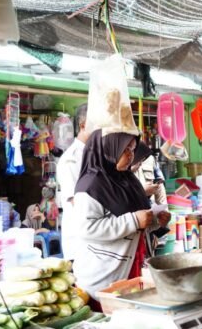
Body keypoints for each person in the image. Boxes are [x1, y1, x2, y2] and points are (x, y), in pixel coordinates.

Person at [72, 129, 170, 305]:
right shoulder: (90, 186)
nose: (131, 156)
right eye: (125, 150)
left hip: (132, 267)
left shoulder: (127, 180)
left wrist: (154, 221)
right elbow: (87, 228)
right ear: (108, 149)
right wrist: (134, 220)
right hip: (103, 276)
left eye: (132, 149)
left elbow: (135, 222)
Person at [56, 104, 89, 261]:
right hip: (80, 244)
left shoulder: (96, 155)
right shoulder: (71, 159)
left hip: (96, 243)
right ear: (83, 125)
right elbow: (78, 202)